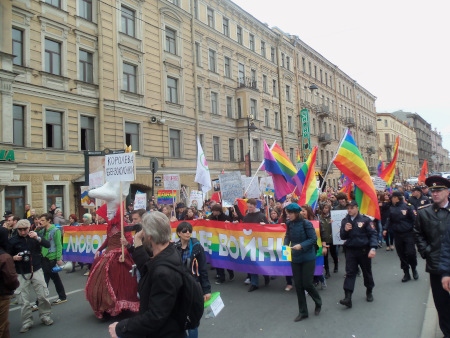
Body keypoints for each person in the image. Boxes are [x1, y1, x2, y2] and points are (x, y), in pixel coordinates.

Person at [108, 212, 185, 338]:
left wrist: (121, 328)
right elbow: (147, 267)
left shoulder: (163, 272)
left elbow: (155, 316)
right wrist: (137, 240)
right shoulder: (168, 252)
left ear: (149, 236)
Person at [85, 204, 139, 319]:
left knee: (119, 282)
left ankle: (120, 306)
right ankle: (106, 306)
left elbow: (129, 240)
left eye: (110, 213)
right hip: (108, 253)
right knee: (102, 281)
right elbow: (108, 240)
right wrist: (99, 249)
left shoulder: (123, 225)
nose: (107, 215)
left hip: (120, 254)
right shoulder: (111, 225)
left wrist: (124, 252)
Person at [414, 175, 450, 337]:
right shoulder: (424, 213)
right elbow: (418, 234)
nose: (435, 194)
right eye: (433, 191)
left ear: (447, 192)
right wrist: (426, 251)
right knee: (442, 305)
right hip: (435, 266)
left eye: (439, 190)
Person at [8, 219, 53, 333]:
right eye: (20, 230)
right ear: (17, 229)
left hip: (36, 270)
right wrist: (13, 258)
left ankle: (45, 315)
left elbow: (47, 244)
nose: (23, 232)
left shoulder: (34, 237)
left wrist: (37, 237)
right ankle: (27, 321)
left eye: (25, 229)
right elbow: (6, 256)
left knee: (42, 295)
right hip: (21, 272)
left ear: (30, 228)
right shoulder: (12, 241)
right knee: (23, 300)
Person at [283, 203, 322, 321]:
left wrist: (301, 245)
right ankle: (303, 312)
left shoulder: (306, 223)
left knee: (307, 283)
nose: (288, 216)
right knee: (298, 285)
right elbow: (288, 235)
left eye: (289, 214)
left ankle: (318, 302)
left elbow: (313, 239)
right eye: (287, 214)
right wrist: (285, 245)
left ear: (295, 213)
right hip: (295, 257)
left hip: (308, 257)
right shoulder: (289, 223)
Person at [175, 222, 211, 338]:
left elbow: (203, 269)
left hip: (193, 285)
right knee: (179, 317)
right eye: (185, 231)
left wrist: (206, 290)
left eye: (189, 231)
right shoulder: (174, 247)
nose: (188, 233)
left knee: (193, 320)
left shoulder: (196, 247)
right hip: (178, 286)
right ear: (179, 233)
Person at [339, 200, 377, 308]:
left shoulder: (365, 220)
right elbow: (342, 236)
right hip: (351, 250)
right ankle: (348, 297)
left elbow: (373, 234)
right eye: (348, 208)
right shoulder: (345, 220)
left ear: (357, 208)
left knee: (366, 272)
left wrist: (373, 248)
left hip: (364, 251)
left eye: (351, 208)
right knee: (350, 273)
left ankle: (369, 290)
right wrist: (345, 230)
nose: (349, 210)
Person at [383, 191, 418, 282]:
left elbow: (415, 220)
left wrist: (415, 231)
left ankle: (414, 268)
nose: (391, 199)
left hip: (408, 234)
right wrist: (385, 228)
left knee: (411, 253)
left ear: (397, 198)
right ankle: (406, 273)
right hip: (397, 234)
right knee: (401, 254)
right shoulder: (392, 208)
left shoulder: (408, 207)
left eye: (393, 197)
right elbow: (389, 219)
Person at [235, 198, 269, 292]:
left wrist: (264, 225)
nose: (249, 208)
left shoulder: (261, 216)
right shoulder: (246, 217)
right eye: (248, 206)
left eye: (250, 206)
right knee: (252, 263)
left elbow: (269, 228)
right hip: (250, 243)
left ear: (255, 206)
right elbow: (244, 228)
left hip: (260, 243)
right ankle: (254, 283)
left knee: (261, 262)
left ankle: (266, 275)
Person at [37, 213, 67, 305]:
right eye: (40, 220)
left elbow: (58, 245)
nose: (40, 222)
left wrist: (58, 258)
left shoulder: (55, 230)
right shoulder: (42, 231)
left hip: (52, 257)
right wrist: (37, 229)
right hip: (44, 256)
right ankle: (62, 296)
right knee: (55, 278)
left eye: (42, 220)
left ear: (49, 220)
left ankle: (39, 302)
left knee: (44, 279)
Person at [207, 204, 234, 284]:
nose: (213, 212)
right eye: (213, 211)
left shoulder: (225, 218)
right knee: (218, 260)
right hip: (215, 242)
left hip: (224, 242)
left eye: (215, 211)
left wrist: (228, 223)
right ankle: (221, 276)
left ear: (219, 211)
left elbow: (231, 227)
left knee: (226, 259)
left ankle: (230, 272)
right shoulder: (211, 218)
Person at [0, 226, 19, 338]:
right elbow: (11, 279)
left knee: (5, 325)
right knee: (2, 325)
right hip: (2, 294)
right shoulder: (5, 257)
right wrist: (14, 286)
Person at [319, 203, 338, 276]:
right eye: (324, 208)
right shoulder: (319, 218)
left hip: (332, 239)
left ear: (329, 209)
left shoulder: (332, 217)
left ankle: (336, 265)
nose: (325, 209)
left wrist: (333, 223)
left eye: (326, 208)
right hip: (324, 240)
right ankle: (327, 271)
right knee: (325, 256)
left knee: (333, 254)